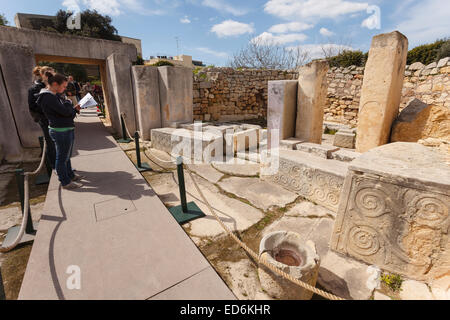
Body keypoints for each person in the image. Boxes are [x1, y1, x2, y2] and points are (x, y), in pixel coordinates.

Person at [37, 73, 83, 190]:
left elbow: (67, 113)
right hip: (60, 131)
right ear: (55, 84)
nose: (64, 89)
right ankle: (65, 181)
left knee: (66, 156)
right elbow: (66, 112)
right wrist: (69, 104)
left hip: (65, 128)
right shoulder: (47, 97)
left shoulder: (55, 95)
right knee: (62, 157)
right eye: (63, 86)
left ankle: (70, 175)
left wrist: (71, 109)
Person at [27, 66, 57, 169]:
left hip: (57, 119)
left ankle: (63, 165)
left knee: (60, 143)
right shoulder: (34, 89)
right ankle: (55, 167)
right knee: (51, 143)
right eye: (49, 74)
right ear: (42, 75)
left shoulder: (54, 86)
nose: (51, 76)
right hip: (45, 120)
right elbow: (33, 107)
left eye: (53, 74)